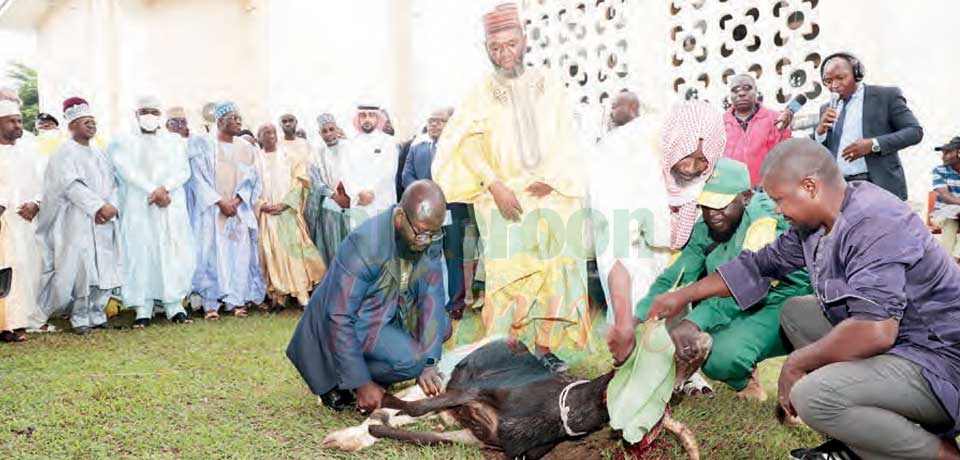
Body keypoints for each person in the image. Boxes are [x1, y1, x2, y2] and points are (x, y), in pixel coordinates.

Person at [647, 138, 960, 460]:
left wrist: (798, 362)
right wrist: (683, 296)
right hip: (901, 345)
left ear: (810, 186)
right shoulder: (819, 223)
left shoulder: (874, 222)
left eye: (780, 200)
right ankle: (856, 444)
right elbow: (757, 265)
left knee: (813, 396)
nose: (778, 210)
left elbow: (876, 330)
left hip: (940, 362)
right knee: (797, 313)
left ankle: (938, 452)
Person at [432, 3, 590, 373]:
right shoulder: (479, 92)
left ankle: (545, 347)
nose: (504, 54)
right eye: (495, 48)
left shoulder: (549, 83)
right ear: (486, 48)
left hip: (549, 196)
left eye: (511, 44)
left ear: (525, 41)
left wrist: (552, 178)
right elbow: (464, 144)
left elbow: (568, 138)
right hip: (503, 201)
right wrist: (495, 184)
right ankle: (507, 351)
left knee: (552, 274)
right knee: (509, 276)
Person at [626, 158, 811, 401]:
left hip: (785, 303)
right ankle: (746, 380)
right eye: (706, 205)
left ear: (745, 197)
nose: (713, 215)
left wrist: (694, 322)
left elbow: (746, 285)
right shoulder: (706, 227)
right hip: (740, 303)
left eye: (721, 205)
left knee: (717, 347)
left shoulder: (763, 223)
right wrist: (636, 318)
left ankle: (806, 369)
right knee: (716, 359)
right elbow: (674, 278)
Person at [286, 180, 449, 413]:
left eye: (432, 234)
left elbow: (431, 297)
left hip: (387, 309)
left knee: (440, 329)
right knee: (410, 359)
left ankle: (368, 373)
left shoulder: (427, 235)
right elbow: (339, 316)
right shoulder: (365, 243)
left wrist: (431, 364)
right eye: (421, 233)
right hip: (350, 320)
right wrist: (361, 382)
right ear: (400, 216)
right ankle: (338, 379)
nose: (425, 241)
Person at [36, 97, 121, 335]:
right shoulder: (64, 152)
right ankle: (79, 316)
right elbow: (70, 186)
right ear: (72, 125)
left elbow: (115, 183)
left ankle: (97, 312)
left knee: (103, 266)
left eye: (93, 121)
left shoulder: (99, 152)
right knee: (82, 268)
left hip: (103, 218)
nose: (91, 126)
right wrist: (97, 207)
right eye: (86, 122)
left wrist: (111, 205)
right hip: (78, 218)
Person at [108, 96, 195, 328]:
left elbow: (183, 170)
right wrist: (152, 190)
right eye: (144, 111)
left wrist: (164, 189)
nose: (149, 116)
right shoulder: (123, 141)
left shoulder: (175, 141)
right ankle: (142, 307)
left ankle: (174, 306)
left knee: (171, 251)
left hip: (169, 203)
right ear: (136, 114)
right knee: (140, 253)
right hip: (140, 204)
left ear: (160, 115)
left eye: (154, 112)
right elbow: (125, 169)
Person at [185, 101, 266, 320]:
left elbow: (252, 179)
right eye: (233, 118)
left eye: (240, 118)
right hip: (212, 210)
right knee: (212, 254)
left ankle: (236, 302)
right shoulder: (203, 144)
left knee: (239, 255)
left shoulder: (247, 148)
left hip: (238, 211)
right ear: (220, 121)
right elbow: (198, 179)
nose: (238, 122)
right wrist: (220, 202)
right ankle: (211, 304)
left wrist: (238, 201)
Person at [815, 51, 923, 200]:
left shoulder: (885, 96)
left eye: (840, 78)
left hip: (877, 185)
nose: (834, 85)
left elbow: (914, 132)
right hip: (840, 188)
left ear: (857, 73)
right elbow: (823, 151)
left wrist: (873, 144)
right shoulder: (826, 109)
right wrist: (820, 132)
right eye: (828, 81)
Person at [254, 123, 325, 310]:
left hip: (288, 212)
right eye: (265, 133)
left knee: (294, 255)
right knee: (272, 254)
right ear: (258, 138)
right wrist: (262, 205)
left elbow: (300, 184)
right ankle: (279, 298)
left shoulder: (289, 157)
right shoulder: (255, 161)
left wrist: (285, 204)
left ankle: (302, 296)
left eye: (272, 132)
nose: (270, 136)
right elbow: (250, 188)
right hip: (268, 215)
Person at [0, 95, 47, 341]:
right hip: (3, 222)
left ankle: (20, 321)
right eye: (12, 121)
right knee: (6, 271)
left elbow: (43, 183)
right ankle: (6, 325)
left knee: (26, 269)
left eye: (19, 121)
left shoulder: (29, 152)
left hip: (26, 221)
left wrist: (36, 203)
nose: (18, 126)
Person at [722, 74, 792, 186]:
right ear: (730, 95)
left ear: (756, 91)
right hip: (731, 195)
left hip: (766, 193)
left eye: (747, 88)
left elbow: (786, 158)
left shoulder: (776, 119)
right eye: (735, 90)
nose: (741, 93)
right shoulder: (719, 124)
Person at [304, 113, 351, 265]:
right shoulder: (316, 154)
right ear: (320, 133)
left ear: (337, 129)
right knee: (332, 246)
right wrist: (333, 196)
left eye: (331, 129)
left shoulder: (350, 149)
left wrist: (349, 196)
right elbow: (315, 181)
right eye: (325, 131)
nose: (329, 134)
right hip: (329, 206)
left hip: (351, 203)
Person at [342, 101, 398, 229]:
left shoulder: (388, 142)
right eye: (363, 115)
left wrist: (371, 192)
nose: (367, 119)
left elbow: (389, 171)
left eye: (371, 115)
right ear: (358, 118)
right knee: (361, 242)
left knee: (382, 241)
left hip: (382, 201)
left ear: (377, 118)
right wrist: (357, 193)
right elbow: (346, 173)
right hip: (359, 203)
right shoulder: (350, 144)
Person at [930, 136, 960, 263]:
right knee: (950, 220)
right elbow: (945, 197)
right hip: (942, 213)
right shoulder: (939, 170)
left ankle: (951, 262)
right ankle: (952, 261)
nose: (943, 157)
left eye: (948, 152)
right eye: (943, 153)